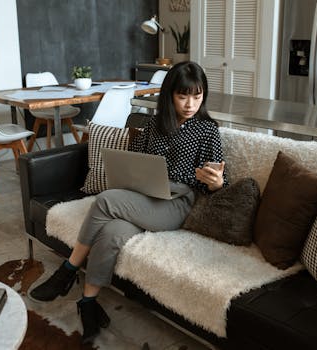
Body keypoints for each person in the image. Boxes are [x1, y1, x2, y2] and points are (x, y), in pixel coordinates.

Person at [29, 61, 228, 343]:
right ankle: (87, 303)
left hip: (176, 203)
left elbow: (220, 179)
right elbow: (133, 158)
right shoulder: (153, 124)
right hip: (143, 195)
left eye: (197, 96)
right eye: (183, 96)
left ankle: (67, 272)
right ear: (170, 94)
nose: (190, 104)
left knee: (107, 200)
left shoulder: (207, 129)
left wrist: (217, 183)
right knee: (111, 233)